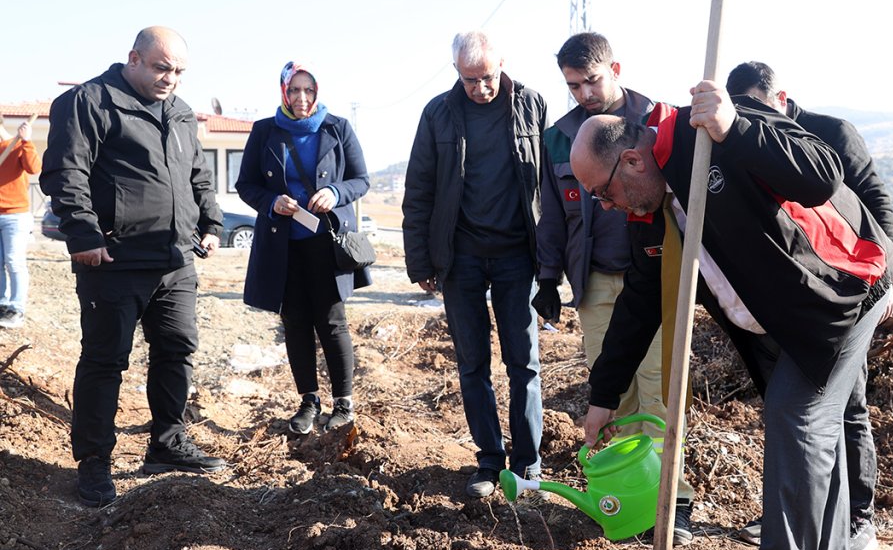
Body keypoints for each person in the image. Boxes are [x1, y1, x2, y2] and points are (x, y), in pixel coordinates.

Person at [572, 82, 893, 550]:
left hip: (841, 293)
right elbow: (640, 300)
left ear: (633, 161)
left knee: (797, 418)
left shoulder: (712, 128)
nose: (606, 206)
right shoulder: (648, 210)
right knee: (813, 437)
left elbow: (822, 176)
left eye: (603, 192)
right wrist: (605, 394)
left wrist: (737, 129)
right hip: (774, 322)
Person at [41, 26, 227, 508]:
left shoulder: (181, 113)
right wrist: (83, 235)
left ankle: (167, 445)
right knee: (105, 360)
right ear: (134, 59)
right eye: (163, 67)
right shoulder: (90, 102)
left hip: (174, 259)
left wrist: (210, 222)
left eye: (180, 72)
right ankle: (95, 464)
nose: (171, 79)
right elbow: (66, 171)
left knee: (177, 348)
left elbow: (197, 175)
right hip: (113, 259)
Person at [725, 61, 893, 550]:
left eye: (760, 111)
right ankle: (804, 514)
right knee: (795, 413)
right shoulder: (748, 137)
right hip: (796, 295)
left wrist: (884, 282)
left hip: (849, 291)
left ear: (780, 98)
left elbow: (877, 202)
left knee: (849, 405)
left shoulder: (830, 133)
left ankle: (858, 519)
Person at [533, 31, 696, 543]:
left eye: (591, 80)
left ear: (616, 68)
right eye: (573, 85)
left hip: (654, 273)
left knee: (657, 387)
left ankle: (675, 500)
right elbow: (553, 216)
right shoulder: (559, 137)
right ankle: (635, 495)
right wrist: (546, 276)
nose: (584, 93)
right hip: (596, 278)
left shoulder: (653, 122)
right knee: (614, 386)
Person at [402, 31, 547, 498]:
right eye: (469, 80)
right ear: (456, 74)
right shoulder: (438, 114)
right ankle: (489, 461)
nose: (480, 88)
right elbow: (419, 190)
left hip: (517, 257)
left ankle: (528, 465)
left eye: (487, 78)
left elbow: (550, 184)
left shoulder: (532, 105)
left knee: (523, 362)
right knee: (472, 364)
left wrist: (552, 261)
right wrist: (420, 260)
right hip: (460, 257)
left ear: (502, 66)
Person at [237, 62, 371, 435]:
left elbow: (361, 180)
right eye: (294, 90)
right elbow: (246, 184)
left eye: (308, 90)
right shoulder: (265, 130)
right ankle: (309, 401)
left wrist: (336, 192)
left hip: (327, 244)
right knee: (295, 322)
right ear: (283, 92)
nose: (302, 98)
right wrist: (270, 202)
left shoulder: (337, 127)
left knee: (331, 322)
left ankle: (343, 403)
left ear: (317, 91)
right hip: (283, 247)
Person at [0, 118, 40, 329]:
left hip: (15, 215)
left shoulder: (16, 144)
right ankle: (2, 304)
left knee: (14, 261)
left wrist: (27, 140)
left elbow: (34, 168)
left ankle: (17, 308)